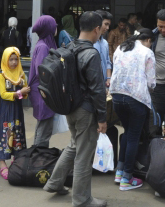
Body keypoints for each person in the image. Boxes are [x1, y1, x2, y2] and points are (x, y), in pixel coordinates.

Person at [43, 11, 108, 207]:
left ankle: (54, 183)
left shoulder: (68, 46)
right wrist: (102, 118)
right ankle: (82, 199)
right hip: (86, 111)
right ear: (96, 29)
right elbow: (97, 89)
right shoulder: (91, 54)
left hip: (69, 107)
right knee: (84, 155)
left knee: (73, 146)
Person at [110, 28, 156, 191]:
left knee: (128, 133)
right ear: (148, 40)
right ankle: (127, 179)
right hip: (136, 99)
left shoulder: (121, 48)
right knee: (134, 137)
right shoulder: (147, 52)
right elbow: (151, 83)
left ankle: (120, 171)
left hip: (116, 97)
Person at [0, 47, 30, 180]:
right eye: (10, 59)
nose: (13, 62)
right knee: (5, 132)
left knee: (17, 132)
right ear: (5, 60)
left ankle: (16, 160)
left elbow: (25, 94)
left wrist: (23, 93)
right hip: (5, 110)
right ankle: (2, 163)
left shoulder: (21, 75)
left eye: (16, 59)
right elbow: (3, 94)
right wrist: (20, 93)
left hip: (17, 110)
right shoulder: (1, 76)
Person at [28, 15, 58, 147]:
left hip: (42, 90)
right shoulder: (44, 47)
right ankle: (38, 157)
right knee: (44, 128)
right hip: (43, 91)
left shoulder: (43, 44)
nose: (56, 27)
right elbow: (43, 72)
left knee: (43, 125)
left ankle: (37, 155)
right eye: (54, 25)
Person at [94, 10, 113, 86]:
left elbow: (108, 61)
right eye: (106, 24)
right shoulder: (90, 43)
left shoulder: (105, 42)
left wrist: (109, 78)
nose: (107, 28)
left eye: (109, 25)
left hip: (104, 84)